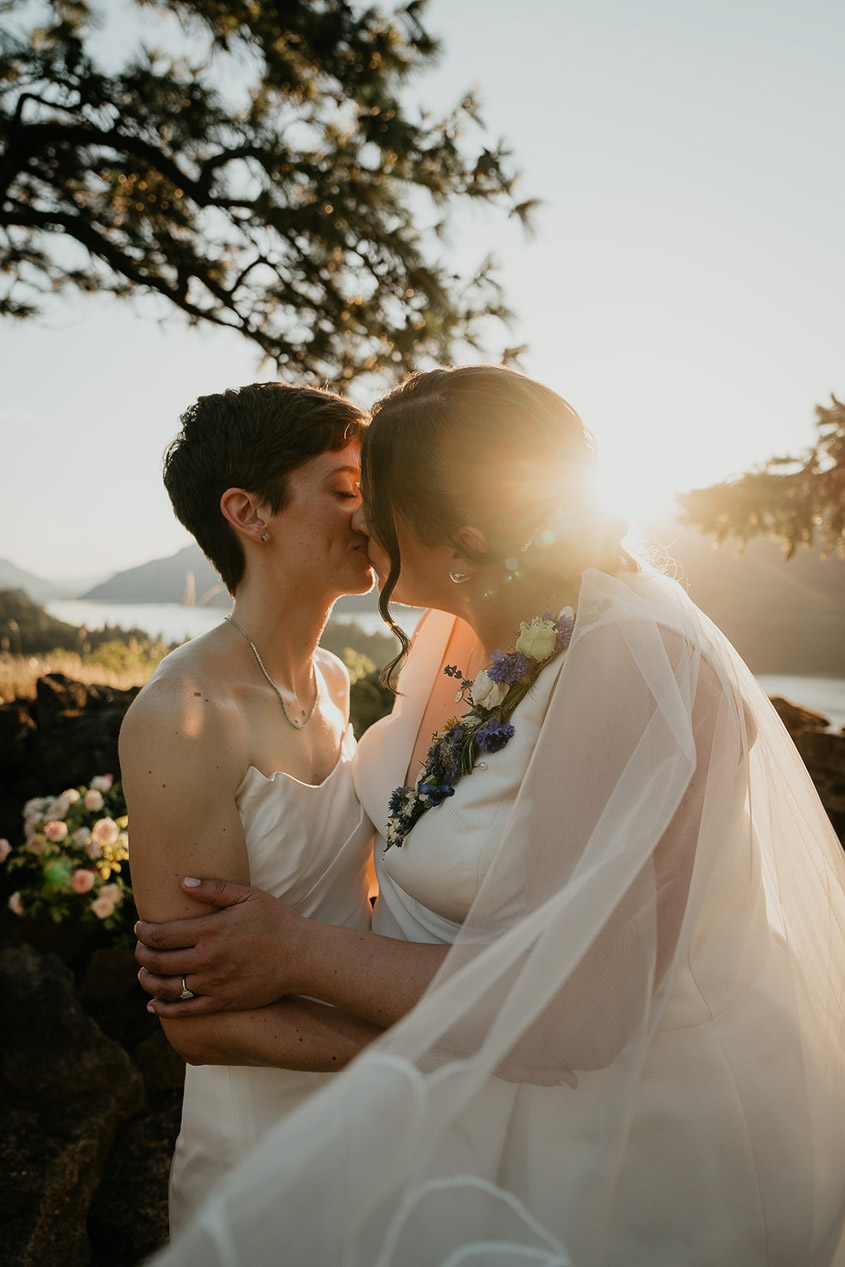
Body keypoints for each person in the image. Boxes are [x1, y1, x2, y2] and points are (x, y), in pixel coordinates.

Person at [138, 366, 845, 1266]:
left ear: (463, 536)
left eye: (373, 495)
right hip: (451, 1095)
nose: (361, 520)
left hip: (621, 1137)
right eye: (345, 491)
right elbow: (408, 837)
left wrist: (299, 950)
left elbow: (578, 1007)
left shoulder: (629, 657)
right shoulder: (451, 627)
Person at [120, 381, 383, 1236]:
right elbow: (198, 1021)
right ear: (248, 511)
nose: (370, 511)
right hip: (261, 1149)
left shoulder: (337, 679)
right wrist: (415, 1049)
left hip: (377, 1119)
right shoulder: (180, 713)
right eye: (345, 489)